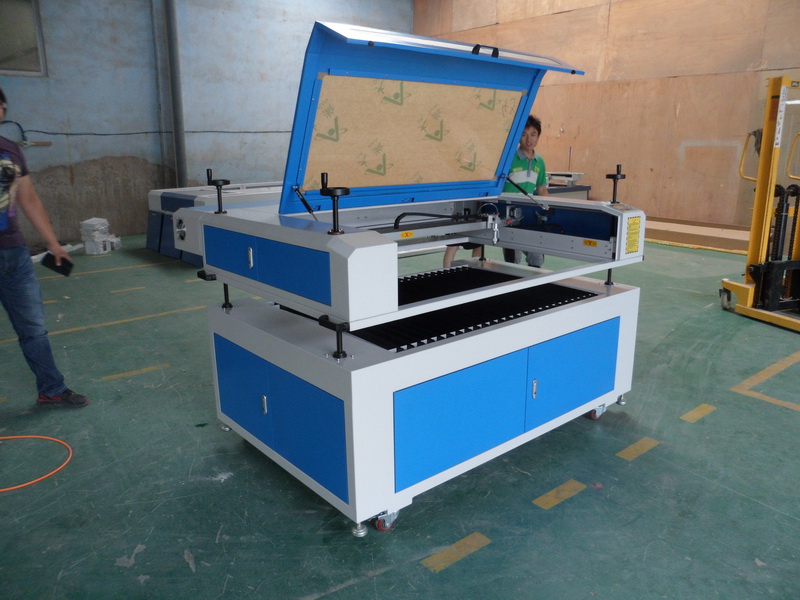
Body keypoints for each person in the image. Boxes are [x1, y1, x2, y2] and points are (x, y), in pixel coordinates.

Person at [0, 87, 89, 407]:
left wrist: (53, 243)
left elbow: (28, 199)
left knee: (34, 329)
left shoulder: (10, 149)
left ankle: (51, 389)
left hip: (14, 254)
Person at [502, 115, 548, 268]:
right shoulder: (508, 158)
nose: (529, 139)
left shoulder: (540, 162)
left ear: (538, 136)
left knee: (537, 259)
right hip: (509, 215)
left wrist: (547, 208)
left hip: (530, 215)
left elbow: (542, 188)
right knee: (513, 260)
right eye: (524, 134)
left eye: (533, 134)